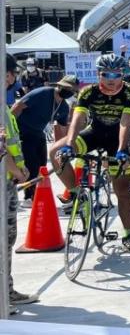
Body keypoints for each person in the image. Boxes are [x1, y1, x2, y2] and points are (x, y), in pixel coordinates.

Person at [50, 53, 130, 253]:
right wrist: (70, 143)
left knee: (123, 191)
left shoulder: (129, 91)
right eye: (106, 74)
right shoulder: (87, 92)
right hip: (95, 133)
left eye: (116, 74)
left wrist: (120, 149)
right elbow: (78, 119)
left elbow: (125, 122)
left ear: (122, 74)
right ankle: (77, 195)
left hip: (117, 138)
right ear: (98, 74)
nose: (111, 80)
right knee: (56, 154)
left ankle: (128, 234)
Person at [11, 73, 76, 202]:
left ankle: (33, 192)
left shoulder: (64, 107)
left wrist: (59, 149)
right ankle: (29, 196)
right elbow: (17, 107)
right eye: (66, 88)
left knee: (42, 164)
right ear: (59, 85)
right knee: (32, 165)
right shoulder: (43, 93)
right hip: (22, 131)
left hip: (38, 132)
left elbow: (61, 130)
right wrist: (11, 130)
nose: (68, 91)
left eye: (72, 90)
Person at [1, 95, 35, 306]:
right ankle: (4, 296)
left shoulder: (4, 106)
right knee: (4, 239)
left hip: (8, 180)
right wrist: (18, 171)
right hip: (4, 182)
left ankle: (7, 291)